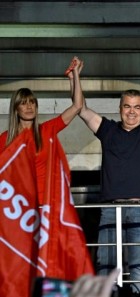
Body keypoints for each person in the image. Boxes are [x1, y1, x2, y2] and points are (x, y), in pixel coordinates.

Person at [78, 47, 140, 292]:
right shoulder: (108, 130)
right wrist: (75, 77)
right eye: (127, 106)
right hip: (112, 208)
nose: (132, 111)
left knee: (139, 265)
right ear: (120, 109)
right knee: (106, 264)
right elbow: (82, 109)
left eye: (137, 107)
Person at [0, 57, 84, 204]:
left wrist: (74, 75)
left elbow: (77, 106)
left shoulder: (47, 129)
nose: (29, 107)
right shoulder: (5, 138)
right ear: (16, 108)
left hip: (45, 205)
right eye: (24, 103)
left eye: (32, 102)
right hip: (19, 208)